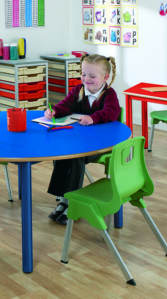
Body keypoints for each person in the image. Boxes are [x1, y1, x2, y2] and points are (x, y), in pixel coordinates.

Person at [44, 54, 121, 224]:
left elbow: (112, 112)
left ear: (105, 77)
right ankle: (64, 200)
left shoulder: (109, 94)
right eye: (83, 74)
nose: (86, 79)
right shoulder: (77, 90)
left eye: (92, 76)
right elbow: (66, 105)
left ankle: (72, 203)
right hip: (79, 140)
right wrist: (55, 111)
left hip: (101, 145)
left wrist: (94, 117)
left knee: (75, 158)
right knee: (63, 155)